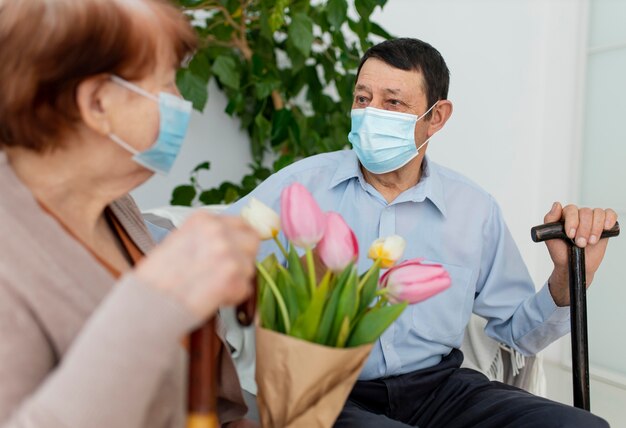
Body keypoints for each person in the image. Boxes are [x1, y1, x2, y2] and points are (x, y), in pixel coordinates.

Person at [225, 38, 617, 427]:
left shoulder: (473, 209)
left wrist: (568, 277)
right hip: (329, 392)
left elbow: (518, 334)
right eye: (362, 99)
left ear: (437, 116)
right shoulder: (300, 187)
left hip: (441, 388)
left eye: (392, 103)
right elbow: (206, 247)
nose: (370, 113)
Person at [0, 1, 259, 427]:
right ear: (98, 103)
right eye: (168, 82)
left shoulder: (115, 206)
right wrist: (155, 299)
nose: (182, 103)